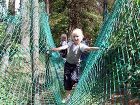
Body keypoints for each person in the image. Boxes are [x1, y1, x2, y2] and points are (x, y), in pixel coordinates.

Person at [51, 28, 100, 103]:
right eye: (74, 36)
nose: (75, 38)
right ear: (72, 38)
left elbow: (88, 48)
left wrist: (97, 48)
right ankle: (67, 97)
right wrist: (57, 49)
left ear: (81, 37)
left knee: (73, 79)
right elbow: (65, 47)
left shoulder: (81, 46)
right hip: (67, 64)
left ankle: (73, 85)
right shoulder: (70, 43)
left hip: (75, 66)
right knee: (67, 80)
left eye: (77, 36)